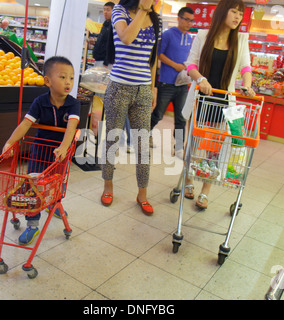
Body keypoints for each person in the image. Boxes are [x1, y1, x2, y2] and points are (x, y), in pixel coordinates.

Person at [184, 0, 255, 210]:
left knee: (214, 150)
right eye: (234, 11)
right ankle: (189, 180)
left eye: (240, 14)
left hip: (224, 102)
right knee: (194, 145)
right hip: (200, 98)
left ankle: (206, 191)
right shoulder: (203, 36)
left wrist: (247, 86)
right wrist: (201, 79)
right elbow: (190, 64)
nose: (237, 17)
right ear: (223, 11)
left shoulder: (241, 40)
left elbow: (246, 67)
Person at [1, 56, 80, 245]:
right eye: (62, 77)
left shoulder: (74, 103)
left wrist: (63, 146)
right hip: (40, 151)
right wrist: (9, 142)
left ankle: (54, 204)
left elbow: (72, 127)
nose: (68, 82)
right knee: (33, 188)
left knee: (56, 185)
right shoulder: (39, 102)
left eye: (71, 77)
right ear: (47, 81)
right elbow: (26, 124)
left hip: (60, 155)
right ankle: (32, 225)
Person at [100, 0, 162, 216]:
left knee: (143, 145)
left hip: (143, 88)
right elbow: (126, 38)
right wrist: (143, 11)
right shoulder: (120, 10)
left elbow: (152, 58)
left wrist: (153, 88)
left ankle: (142, 194)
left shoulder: (156, 18)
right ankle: (108, 186)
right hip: (119, 87)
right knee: (112, 139)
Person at [150, 6, 194, 158]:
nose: (189, 23)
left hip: (183, 84)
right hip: (166, 82)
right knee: (158, 114)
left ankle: (179, 147)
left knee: (181, 117)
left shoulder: (190, 38)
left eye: (191, 20)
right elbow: (158, 54)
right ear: (179, 18)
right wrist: (174, 65)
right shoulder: (168, 35)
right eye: (186, 19)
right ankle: (143, 135)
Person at [93, 1, 133, 153]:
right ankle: (110, 140)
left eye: (108, 10)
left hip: (110, 67)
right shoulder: (106, 25)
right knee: (108, 105)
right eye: (104, 10)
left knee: (117, 106)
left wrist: (106, 62)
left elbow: (114, 47)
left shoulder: (118, 25)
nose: (105, 12)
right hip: (103, 66)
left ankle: (124, 141)